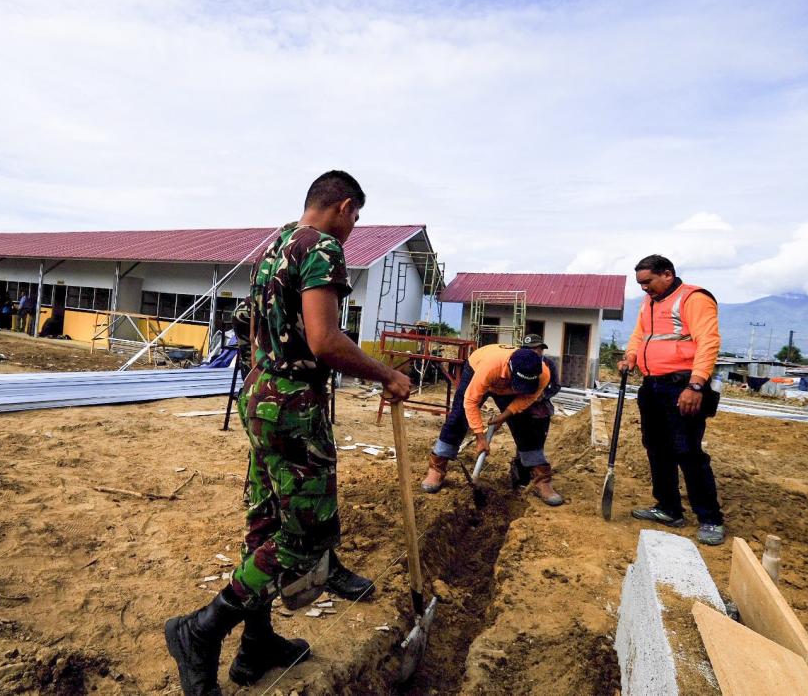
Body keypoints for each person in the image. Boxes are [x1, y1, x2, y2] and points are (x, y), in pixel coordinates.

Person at [164, 171, 412, 695]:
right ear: (343, 206)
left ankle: (256, 646)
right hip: (294, 405)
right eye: (356, 218)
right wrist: (387, 373)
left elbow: (258, 332)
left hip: (260, 394)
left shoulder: (275, 244)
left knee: (265, 522)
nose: (353, 229)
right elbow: (324, 340)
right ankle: (201, 631)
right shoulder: (322, 247)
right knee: (307, 538)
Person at [621, 254, 725, 546]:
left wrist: (696, 384)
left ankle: (710, 519)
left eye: (648, 282)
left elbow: (708, 341)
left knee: (687, 451)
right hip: (652, 385)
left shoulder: (693, 298)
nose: (644, 289)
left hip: (682, 386)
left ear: (667, 274)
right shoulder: (650, 302)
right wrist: (631, 356)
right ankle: (668, 508)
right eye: (640, 284)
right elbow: (640, 334)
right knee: (655, 447)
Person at [420, 343, 555, 502]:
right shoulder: (490, 368)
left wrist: (505, 415)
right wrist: (480, 437)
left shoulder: (543, 374)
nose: (521, 389)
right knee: (458, 416)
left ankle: (542, 478)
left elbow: (527, 398)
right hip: (478, 368)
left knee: (524, 424)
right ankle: (437, 466)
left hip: (505, 378)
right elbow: (470, 401)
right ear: (510, 369)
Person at [507, 334, 564, 505]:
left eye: (539, 348)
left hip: (540, 412)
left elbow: (556, 386)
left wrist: (543, 395)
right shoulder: (516, 363)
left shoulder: (548, 364)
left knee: (537, 444)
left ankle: (539, 479)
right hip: (521, 410)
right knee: (521, 445)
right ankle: (520, 480)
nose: (537, 351)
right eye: (533, 349)